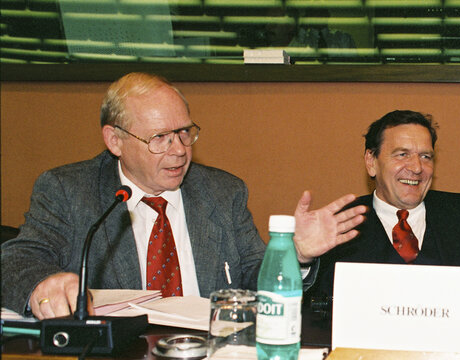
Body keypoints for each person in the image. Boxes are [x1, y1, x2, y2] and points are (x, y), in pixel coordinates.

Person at [1, 72, 365, 319]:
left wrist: (292, 253)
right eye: (160, 137)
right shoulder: (69, 190)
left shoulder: (223, 192)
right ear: (115, 140)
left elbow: (254, 283)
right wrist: (42, 282)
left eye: (185, 132)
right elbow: (17, 260)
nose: (179, 150)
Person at [307, 110, 460, 317]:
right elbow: (306, 307)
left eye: (425, 156)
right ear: (371, 162)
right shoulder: (340, 224)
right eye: (402, 154)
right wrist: (301, 260)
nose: (416, 168)